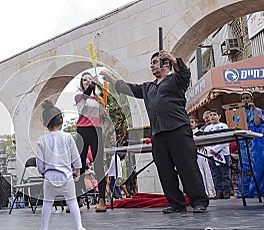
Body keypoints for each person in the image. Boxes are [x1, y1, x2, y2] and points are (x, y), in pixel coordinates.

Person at [100, 50, 209, 213]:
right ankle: (176, 203)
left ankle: (199, 201)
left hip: (178, 129)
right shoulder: (148, 87)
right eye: (150, 63)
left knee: (187, 167)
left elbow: (185, 73)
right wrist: (111, 79)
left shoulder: (175, 80)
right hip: (158, 133)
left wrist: (172, 58)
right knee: (164, 170)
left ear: (166, 65)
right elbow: (129, 88)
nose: (151, 66)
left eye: (155, 62)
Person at [36, 100, 86, 230]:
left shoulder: (42, 140)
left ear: (45, 123)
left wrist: (42, 172)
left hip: (50, 177)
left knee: (47, 203)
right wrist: (77, 171)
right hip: (66, 176)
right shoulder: (67, 137)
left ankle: (44, 229)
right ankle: (79, 227)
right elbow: (75, 156)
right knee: (72, 201)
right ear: (62, 120)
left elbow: (39, 161)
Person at [74, 72, 108, 212]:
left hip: (96, 131)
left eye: (89, 79)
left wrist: (105, 115)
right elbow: (82, 108)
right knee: (80, 165)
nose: (87, 81)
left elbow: (102, 120)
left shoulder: (99, 100)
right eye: (85, 80)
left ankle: (101, 199)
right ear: (82, 84)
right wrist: (92, 86)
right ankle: (78, 198)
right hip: (82, 131)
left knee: (98, 164)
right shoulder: (80, 97)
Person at [237, 91, 264, 197]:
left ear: (251, 99)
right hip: (244, 142)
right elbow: (237, 124)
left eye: (247, 98)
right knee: (244, 166)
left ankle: (255, 189)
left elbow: (258, 123)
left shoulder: (257, 110)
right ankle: (244, 191)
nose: (245, 100)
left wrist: (254, 109)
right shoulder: (239, 112)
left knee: (255, 165)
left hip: (255, 142)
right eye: (243, 98)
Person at [203, 109, 231, 199]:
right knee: (215, 174)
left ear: (219, 116)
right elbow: (205, 140)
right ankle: (218, 191)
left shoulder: (223, 126)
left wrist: (216, 150)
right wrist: (210, 150)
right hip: (211, 154)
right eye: (210, 115)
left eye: (214, 114)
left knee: (225, 173)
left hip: (223, 153)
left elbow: (226, 140)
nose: (212, 116)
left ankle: (226, 191)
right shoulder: (207, 128)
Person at [190, 115, 216, 199]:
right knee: (198, 173)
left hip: (201, 153)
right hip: (193, 154)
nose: (190, 124)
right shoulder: (187, 134)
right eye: (189, 123)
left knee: (206, 173)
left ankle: (210, 192)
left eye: (192, 122)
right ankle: (203, 192)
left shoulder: (199, 132)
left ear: (196, 123)